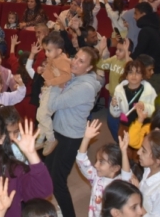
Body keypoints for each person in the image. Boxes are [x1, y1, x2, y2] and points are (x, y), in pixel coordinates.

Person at [44, 47, 102, 217]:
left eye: (81, 61)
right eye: (75, 57)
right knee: (47, 172)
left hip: (69, 138)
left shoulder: (85, 87)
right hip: (59, 132)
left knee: (57, 182)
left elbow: (53, 105)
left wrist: (55, 82)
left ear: (89, 68)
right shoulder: (76, 77)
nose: (74, 62)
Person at [75, 120, 131, 217]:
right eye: (97, 160)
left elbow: (127, 174)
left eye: (101, 162)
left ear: (115, 168)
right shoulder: (96, 177)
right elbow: (81, 160)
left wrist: (124, 152)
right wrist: (86, 138)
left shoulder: (121, 184)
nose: (95, 165)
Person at [130, 2, 160, 93]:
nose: (134, 17)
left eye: (136, 13)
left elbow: (138, 53)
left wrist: (129, 58)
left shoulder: (145, 31)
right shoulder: (158, 28)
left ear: (143, 14)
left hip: (151, 74)